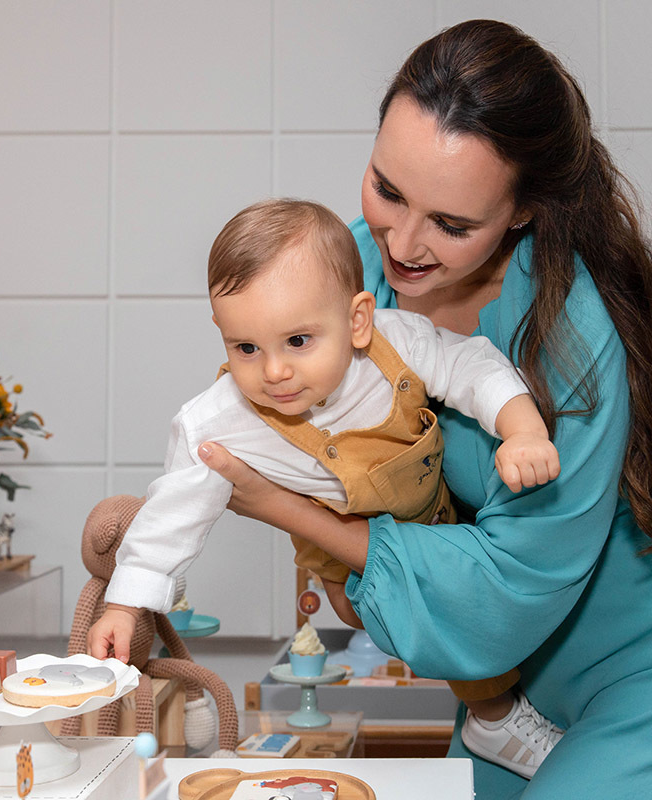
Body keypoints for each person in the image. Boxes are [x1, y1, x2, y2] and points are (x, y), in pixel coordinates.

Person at [193, 19, 652, 798]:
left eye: (451, 223)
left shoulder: (574, 345)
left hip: (624, 667)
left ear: (523, 212)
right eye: (387, 188)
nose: (402, 243)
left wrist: (286, 511)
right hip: (503, 690)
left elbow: (511, 588)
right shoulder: (353, 266)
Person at [88, 197, 561, 776]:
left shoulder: (397, 343)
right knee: (382, 608)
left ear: (358, 320)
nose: (274, 372)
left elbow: (471, 367)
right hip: (339, 541)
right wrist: (124, 605)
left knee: (472, 608)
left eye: (298, 342)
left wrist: (522, 431)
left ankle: (493, 710)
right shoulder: (217, 423)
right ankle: (494, 715)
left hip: (435, 510)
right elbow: (171, 515)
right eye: (245, 348)